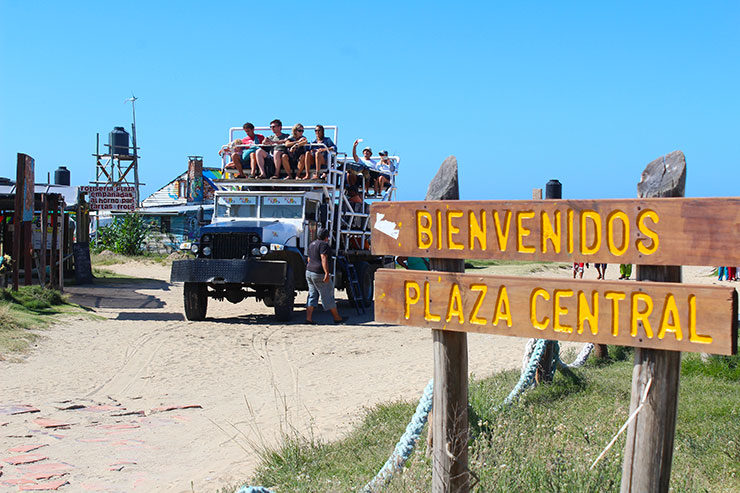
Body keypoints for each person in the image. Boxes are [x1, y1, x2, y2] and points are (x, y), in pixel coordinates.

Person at [305, 227, 348, 324]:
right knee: (327, 295)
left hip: (309, 272)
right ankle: (337, 318)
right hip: (318, 273)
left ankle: (308, 319)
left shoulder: (312, 244)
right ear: (326, 237)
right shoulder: (324, 245)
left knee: (312, 295)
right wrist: (326, 273)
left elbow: (309, 259)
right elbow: (323, 258)